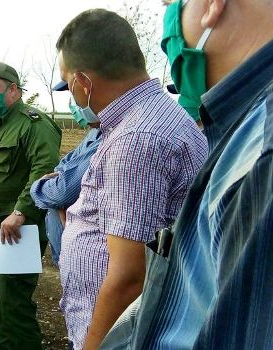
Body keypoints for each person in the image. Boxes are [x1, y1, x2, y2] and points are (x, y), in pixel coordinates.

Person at [102, 1, 273, 349]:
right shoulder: (242, 131)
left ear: (212, 5)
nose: (170, 27)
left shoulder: (261, 155)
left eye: (171, 5)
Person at [54, 10, 208, 350]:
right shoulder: (157, 116)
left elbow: (129, 276)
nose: (73, 97)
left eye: (69, 84)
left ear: (83, 81)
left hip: (122, 338)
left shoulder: (135, 140)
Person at [0, 61, 62, 349]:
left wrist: (20, 212)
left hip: (18, 230)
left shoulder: (34, 124)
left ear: (14, 91)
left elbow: (44, 171)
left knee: (14, 303)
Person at [30, 81, 102, 267]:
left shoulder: (110, 136)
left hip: (83, 257)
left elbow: (63, 191)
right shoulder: (94, 133)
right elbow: (61, 167)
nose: (73, 103)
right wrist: (59, 179)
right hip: (65, 247)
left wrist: (38, 186)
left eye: (73, 91)